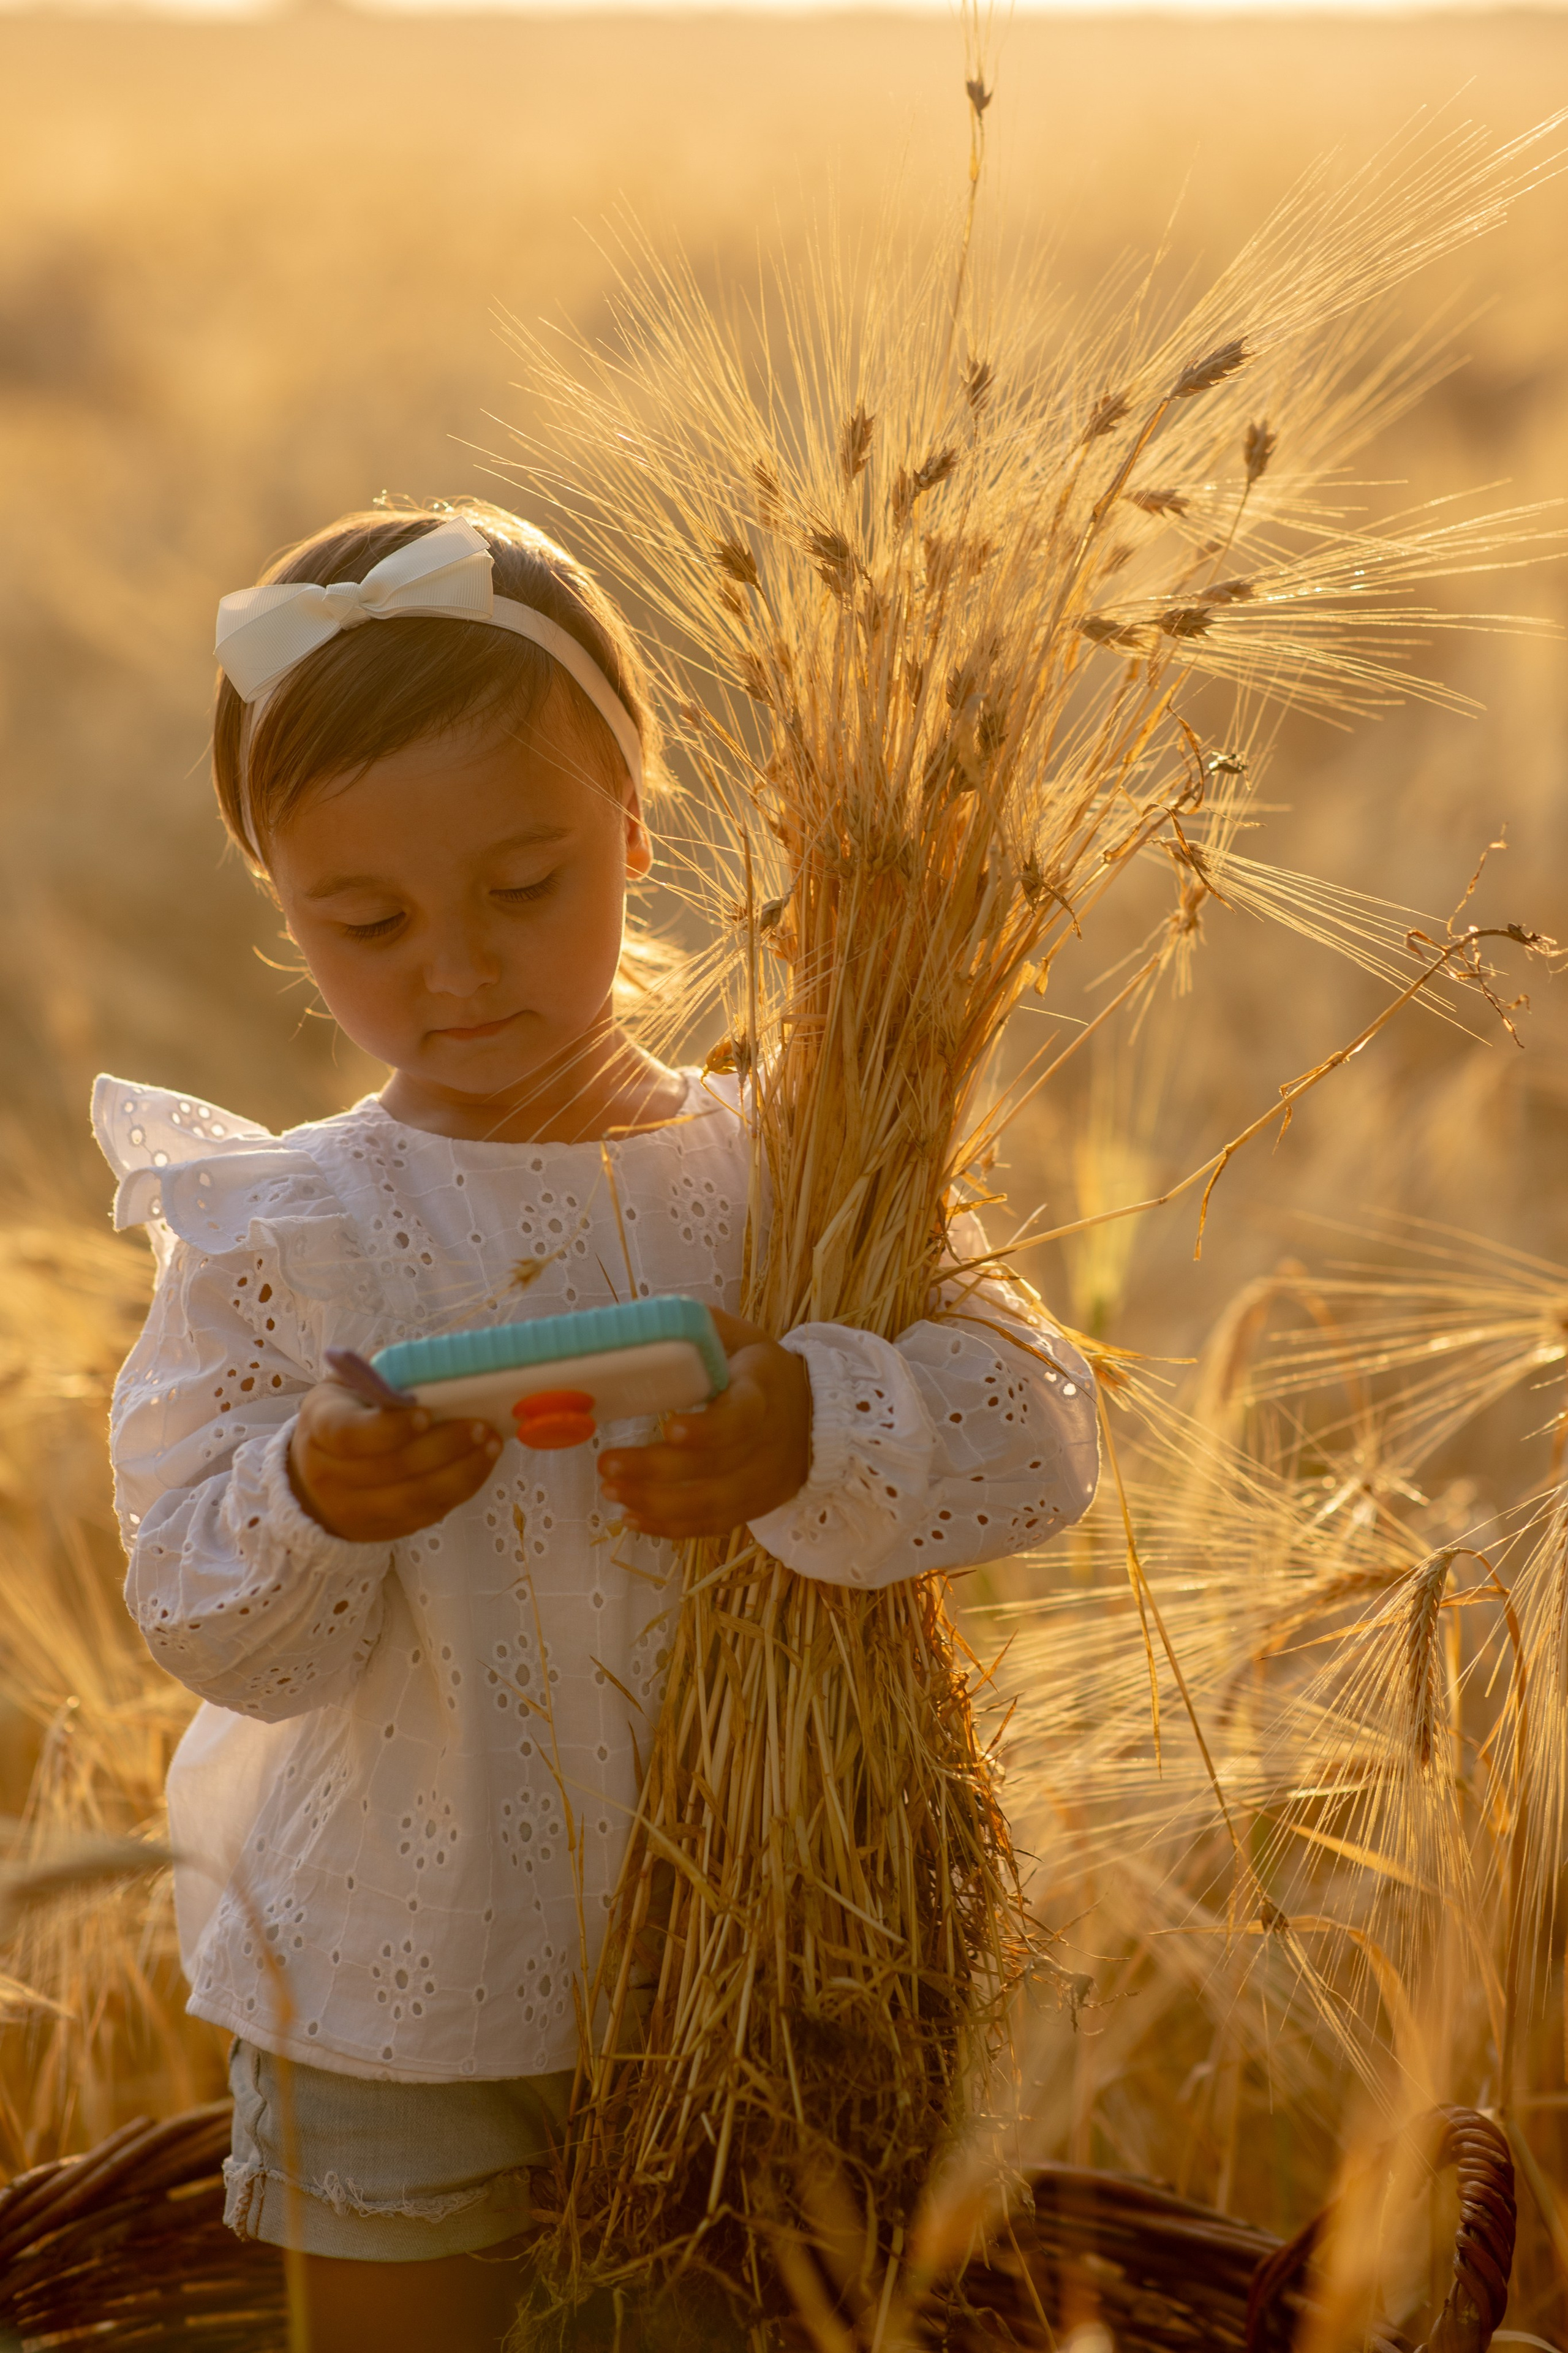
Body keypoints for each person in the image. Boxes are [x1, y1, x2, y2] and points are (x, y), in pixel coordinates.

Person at [96, 500, 1100, 2352]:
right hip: (392, 1995)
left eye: (525, 884)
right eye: (369, 920)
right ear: (278, 898)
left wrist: (814, 1423)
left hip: (766, 1982)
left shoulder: (804, 1167)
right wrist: (320, 1497)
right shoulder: (277, 1234)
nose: (457, 969)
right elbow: (197, 1613)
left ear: (636, 828)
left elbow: (1046, 1430)